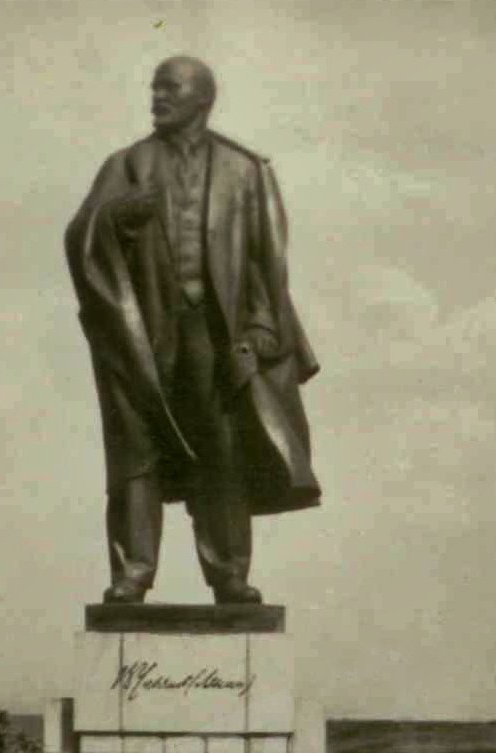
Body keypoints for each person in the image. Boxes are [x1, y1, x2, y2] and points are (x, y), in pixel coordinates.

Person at [66, 56, 321, 605]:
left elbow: (267, 260)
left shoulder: (244, 170)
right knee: (136, 450)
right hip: (145, 333)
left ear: (203, 99)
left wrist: (262, 324)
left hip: (216, 333)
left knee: (223, 450)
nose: (157, 97)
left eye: (170, 88)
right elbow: (80, 237)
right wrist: (115, 218)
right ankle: (132, 573)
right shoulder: (126, 165)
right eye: (154, 87)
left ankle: (229, 573)